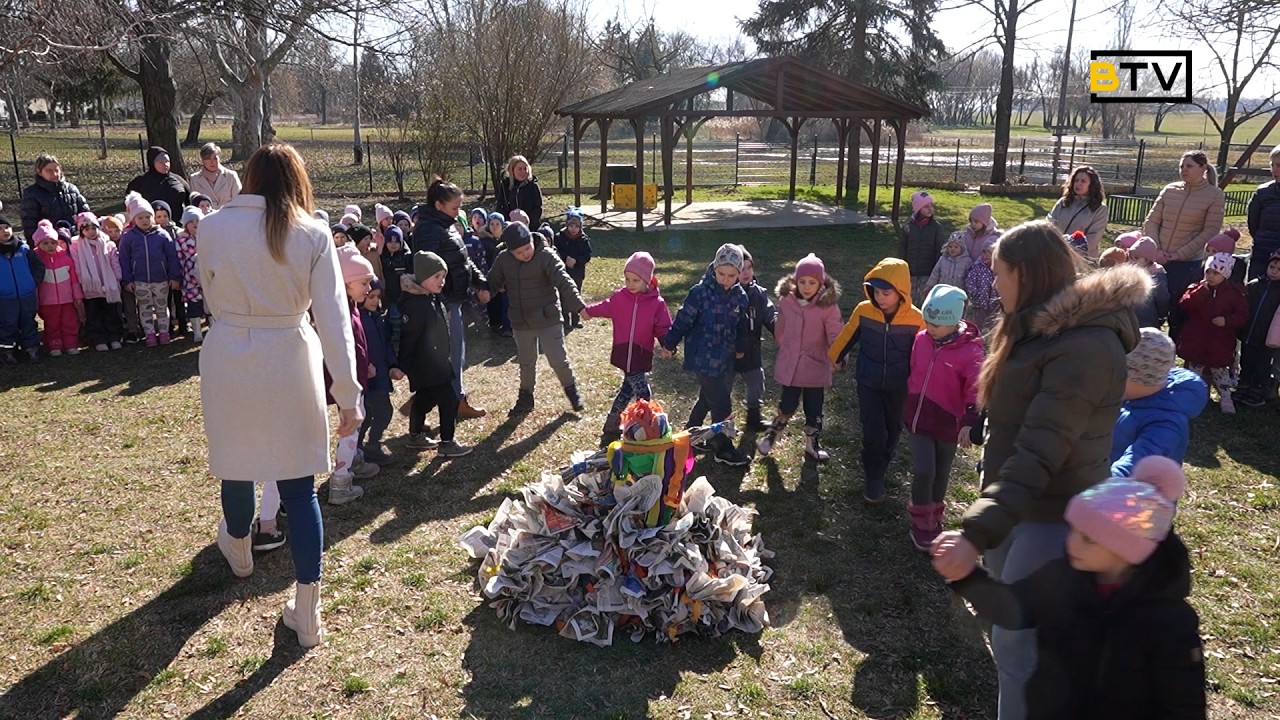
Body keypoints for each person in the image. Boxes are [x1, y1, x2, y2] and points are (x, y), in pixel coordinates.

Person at [930, 220, 1151, 720]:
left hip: (1053, 516)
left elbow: (1039, 453)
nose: (993, 284)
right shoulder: (1033, 324)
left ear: (1026, 275)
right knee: (1012, 643)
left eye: (999, 273)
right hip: (1018, 508)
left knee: (1021, 652)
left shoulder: (1084, 348)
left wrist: (975, 532)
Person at [198, 143, 362, 648]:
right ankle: (308, 609)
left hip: (229, 353)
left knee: (236, 463)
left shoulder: (212, 226)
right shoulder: (312, 233)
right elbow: (334, 320)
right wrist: (349, 394)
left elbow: (209, 292)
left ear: (247, 177)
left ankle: (241, 548)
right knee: (296, 485)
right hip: (290, 356)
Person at [937, 456, 1206, 720]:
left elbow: (1183, 705)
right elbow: (1011, 608)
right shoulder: (1064, 576)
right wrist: (967, 576)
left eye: (1088, 539)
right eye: (1073, 530)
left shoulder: (1170, 624)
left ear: (1126, 550)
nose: (1072, 544)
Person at [830, 257, 925, 502]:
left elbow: (924, 351)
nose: (880, 297)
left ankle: (882, 463)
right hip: (869, 382)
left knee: (892, 431)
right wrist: (835, 357)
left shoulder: (916, 319)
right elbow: (847, 335)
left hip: (899, 386)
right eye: (875, 291)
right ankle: (873, 477)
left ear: (901, 292)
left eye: (886, 292)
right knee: (874, 433)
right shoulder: (863, 311)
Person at [904, 284, 984, 551]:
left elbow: (976, 387)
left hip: (949, 422)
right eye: (927, 322)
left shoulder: (971, 352)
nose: (930, 328)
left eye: (936, 324)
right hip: (919, 418)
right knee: (924, 469)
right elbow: (914, 370)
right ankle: (920, 521)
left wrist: (970, 421)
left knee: (942, 471)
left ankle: (935, 515)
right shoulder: (921, 339)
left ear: (954, 321)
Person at [659, 244, 753, 466]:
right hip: (703, 358)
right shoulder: (699, 293)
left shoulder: (740, 296)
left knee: (707, 399)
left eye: (732, 275)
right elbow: (682, 321)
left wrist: (741, 346)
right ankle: (723, 447)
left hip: (725, 359)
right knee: (722, 405)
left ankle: (688, 436)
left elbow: (742, 325)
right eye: (722, 274)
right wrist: (669, 344)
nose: (726, 279)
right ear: (714, 268)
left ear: (739, 273)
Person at [486, 222, 586, 416]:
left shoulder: (546, 256)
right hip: (521, 321)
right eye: (520, 252)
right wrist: (485, 291)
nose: (525, 253)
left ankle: (572, 392)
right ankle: (525, 397)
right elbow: (493, 280)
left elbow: (563, 280)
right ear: (510, 251)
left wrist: (579, 306)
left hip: (548, 319)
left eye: (527, 248)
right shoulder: (503, 260)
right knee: (526, 362)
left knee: (558, 360)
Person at [412, 179, 491, 419]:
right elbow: (426, 269)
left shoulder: (444, 226)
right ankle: (453, 401)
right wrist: (442, 301)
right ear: (438, 205)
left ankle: (448, 400)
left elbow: (462, 260)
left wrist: (479, 281)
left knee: (456, 353)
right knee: (451, 356)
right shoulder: (429, 230)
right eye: (455, 208)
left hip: (454, 300)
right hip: (443, 303)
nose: (458, 213)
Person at [757, 253, 844, 462]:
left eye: (812, 282)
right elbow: (781, 328)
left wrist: (838, 356)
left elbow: (835, 334)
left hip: (815, 366)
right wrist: (786, 347)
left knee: (814, 409)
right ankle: (772, 434)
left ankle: (812, 444)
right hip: (792, 366)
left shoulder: (828, 306)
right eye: (802, 281)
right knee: (786, 404)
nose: (806, 287)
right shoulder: (788, 302)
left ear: (820, 283)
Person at [582, 251, 672, 446]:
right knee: (643, 393)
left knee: (625, 391)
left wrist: (667, 343)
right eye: (627, 279)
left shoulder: (657, 304)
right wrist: (588, 311)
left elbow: (663, 327)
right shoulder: (620, 298)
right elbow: (605, 306)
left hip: (640, 354)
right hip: (624, 354)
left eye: (636, 280)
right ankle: (643, 427)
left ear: (647, 281)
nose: (630, 284)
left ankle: (612, 425)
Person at [688, 247, 776, 432]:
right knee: (716, 395)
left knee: (756, 382)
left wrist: (780, 331)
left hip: (750, 351)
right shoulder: (719, 294)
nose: (746, 273)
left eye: (749, 268)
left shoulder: (757, 294)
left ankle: (753, 415)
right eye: (741, 269)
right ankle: (705, 426)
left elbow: (770, 316)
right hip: (726, 357)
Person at [1142, 150, 1226, 340]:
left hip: (1186, 263)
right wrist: (1156, 250)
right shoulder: (1170, 189)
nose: (1184, 170)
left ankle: (1174, 353)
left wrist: (1179, 254)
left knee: (1178, 311)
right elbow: (1152, 221)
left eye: (1189, 166)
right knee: (1150, 306)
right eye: (1181, 166)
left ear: (1203, 168)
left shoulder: (1214, 195)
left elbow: (1210, 230)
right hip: (1158, 259)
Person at [398, 251, 474, 457]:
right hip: (427, 363)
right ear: (423, 277)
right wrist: (401, 365)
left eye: (443, 276)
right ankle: (447, 443)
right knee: (449, 400)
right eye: (436, 277)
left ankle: (415, 436)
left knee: (425, 398)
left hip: (435, 360)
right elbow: (409, 337)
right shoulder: (415, 304)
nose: (442, 281)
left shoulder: (430, 297)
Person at [1111, 328, 1207, 477]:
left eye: (1120, 377)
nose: (1113, 382)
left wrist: (1107, 480)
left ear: (1143, 380)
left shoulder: (1166, 423)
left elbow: (1139, 462)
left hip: (1139, 495)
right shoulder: (1132, 397)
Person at [1176, 252, 1248, 414]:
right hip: (1197, 338)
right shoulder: (1197, 288)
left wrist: (1227, 321)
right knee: (1193, 371)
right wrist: (1202, 291)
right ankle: (1191, 397)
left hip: (1220, 341)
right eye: (1208, 271)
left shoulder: (1234, 294)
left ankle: (1226, 398)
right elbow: (1185, 304)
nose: (1211, 276)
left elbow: (1242, 315)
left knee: (1221, 373)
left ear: (1226, 274)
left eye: (1216, 273)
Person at [118, 193, 181, 346]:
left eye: (147, 217)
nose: (144, 221)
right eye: (140, 218)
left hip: (161, 279)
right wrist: (127, 280)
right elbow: (124, 260)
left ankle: (164, 332)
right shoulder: (128, 237)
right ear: (133, 220)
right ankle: (150, 333)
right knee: (145, 308)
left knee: (161, 306)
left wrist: (175, 276)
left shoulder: (162, 235)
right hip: (140, 281)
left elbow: (172, 257)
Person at [358, 278, 403, 463]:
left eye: (378, 297)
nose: (375, 301)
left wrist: (392, 365)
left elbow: (386, 345)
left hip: (380, 375)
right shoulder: (358, 321)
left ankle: (367, 446)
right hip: (368, 378)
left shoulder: (378, 319)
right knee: (373, 414)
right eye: (371, 297)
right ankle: (364, 447)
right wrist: (364, 364)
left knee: (379, 412)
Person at [70, 212, 124, 352]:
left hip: (109, 285)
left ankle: (114, 337)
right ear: (81, 231)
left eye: (94, 228)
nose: (91, 232)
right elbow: (77, 265)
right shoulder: (76, 245)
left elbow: (114, 261)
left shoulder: (107, 243)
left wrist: (117, 278)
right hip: (91, 288)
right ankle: (99, 339)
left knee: (112, 312)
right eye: (87, 229)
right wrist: (83, 281)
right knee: (94, 314)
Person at [31, 220, 83, 357]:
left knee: (69, 322)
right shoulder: (36, 261)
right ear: (38, 244)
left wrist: (77, 296)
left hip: (67, 299)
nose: (50, 246)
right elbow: (35, 283)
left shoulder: (65, 258)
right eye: (45, 243)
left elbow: (74, 280)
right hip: (47, 301)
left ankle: (71, 344)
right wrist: (36, 302)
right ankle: (55, 346)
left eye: (53, 242)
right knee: (52, 324)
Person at [1235, 250, 1280, 406]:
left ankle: (1258, 390)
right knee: (1246, 361)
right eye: (1272, 267)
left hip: (1267, 337)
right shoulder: (1255, 285)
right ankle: (1243, 385)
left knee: (1262, 365)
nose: (1274, 272)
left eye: (1279, 269)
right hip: (1249, 333)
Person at [0, 215, 43, 364]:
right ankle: (7, 352)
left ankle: (31, 350)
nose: (4, 231)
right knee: (8, 324)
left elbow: (38, 266)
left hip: (26, 294)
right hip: (5, 297)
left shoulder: (23, 249)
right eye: (0, 229)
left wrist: (32, 282)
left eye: (7, 227)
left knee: (29, 322)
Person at [19, 153, 90, 240]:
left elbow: (86, 215)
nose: (55, 174)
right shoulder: (32, 194)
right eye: (49, 171)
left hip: (76, 241)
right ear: (39, 171)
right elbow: (30, 225)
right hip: (50, 244)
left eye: (57, 170)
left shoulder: (72, 189)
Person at [1046, 166, 1109, 260]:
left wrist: (1070, 249)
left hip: (1082, 259)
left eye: (1083, 181)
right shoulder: (1063, 202)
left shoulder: (1100, 209)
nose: (1078, 184)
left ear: (1092, 185)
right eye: (1076, 180)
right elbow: (1049, 223)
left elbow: (1093, 238)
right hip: (1057, 254)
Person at [899, 190, 948, 305]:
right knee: (908, 301)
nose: (930, 209)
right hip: (910, 272)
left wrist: (937, 271)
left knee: (925, 302)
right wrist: (902, 268)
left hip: (928, 272)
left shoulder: (936, 228)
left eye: (931, 206)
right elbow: (902, 249)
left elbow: (940, 250)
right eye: (926, 206)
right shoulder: (908, 227)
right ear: (918, 208)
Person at [1245, 145, 1280, 281]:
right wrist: (1261, 239)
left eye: (1279, 165)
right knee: (1254, 292)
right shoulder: (1262, 192)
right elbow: (1253, 223)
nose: (1275, 170)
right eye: (1272, 165)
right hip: (1262, 252)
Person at [553, 208, 592, 329]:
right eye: (571, 225)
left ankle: (576, 318)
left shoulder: (584, 240)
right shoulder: (559, 237)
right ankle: (565, 318)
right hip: (564, 271)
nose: (573, 229)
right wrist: (565, 259)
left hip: (577, 272)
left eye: (576, 226)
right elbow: (556, 251)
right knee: (564, 293)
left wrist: (577, 261)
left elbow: (587, 255)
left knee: (576, 294)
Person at [126, 146, 191, 215]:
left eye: (167, 161)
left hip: (177, 224)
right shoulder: (139, 183)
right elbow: (130, 206)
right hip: (149, 223)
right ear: (152, 163)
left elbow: (189, 202)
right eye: (161, 162)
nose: (165, 164)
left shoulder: (178, 180)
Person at [175, 206, 207, 343]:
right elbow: (178, 259)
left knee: (209, 303)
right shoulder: (181, 241)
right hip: (190, 280)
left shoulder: (207, 238)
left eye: (197, 221)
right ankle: (197, 331)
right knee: (194, 304)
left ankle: (212, 327)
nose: (195, 224)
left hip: (207, 277)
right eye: (191, 221)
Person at [1126, 238, 1171, 329]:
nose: (1132, 261)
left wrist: (1161, 316)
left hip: (1147, 319)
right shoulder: (1128, 273)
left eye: (1137, 258)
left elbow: (1162, 298)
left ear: (1147, 260)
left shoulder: (1156, 275)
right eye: (1130, 257)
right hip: (1129, 318)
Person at [188, 142, 242, 210]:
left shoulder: (231, 176)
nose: (212, 162)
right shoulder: (194, 179)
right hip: (206, 218)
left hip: (228, 216)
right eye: (208, 159)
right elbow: (195, 204)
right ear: (202, 160)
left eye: (215, 158)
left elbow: (239, 201)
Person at [494, 154, 544, 227]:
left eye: (525, 168)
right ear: (512, 170)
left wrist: (528, 223)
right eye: (519, 169)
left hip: (530, 227)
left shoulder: (533, 185)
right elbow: (500, 207)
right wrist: (508, 222)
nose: (523, 172)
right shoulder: (505, 186)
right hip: (509, 226)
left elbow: (538, 207)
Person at [965, 243, 1001, 334]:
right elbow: (970, 281)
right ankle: (977, 338)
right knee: (978, 323)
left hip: (994, 303)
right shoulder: (977, 267)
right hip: (979, 302)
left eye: (989, 253)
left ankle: (991, 340)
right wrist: (975, 293)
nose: (985, 256)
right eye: (984, 253)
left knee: (993, 323)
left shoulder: (998, 268)